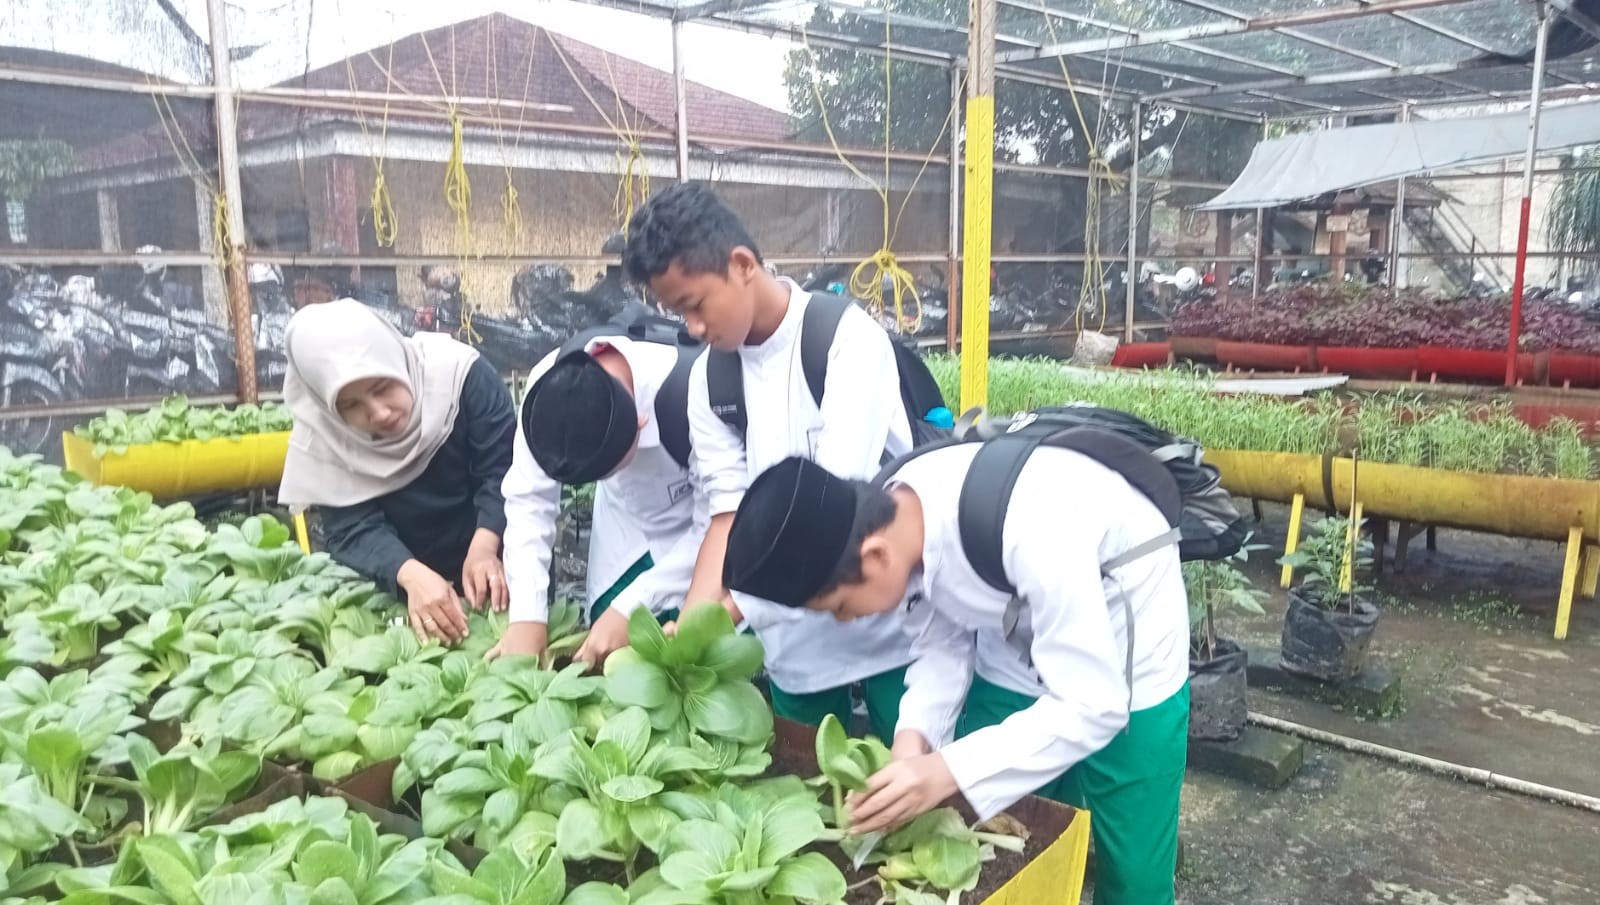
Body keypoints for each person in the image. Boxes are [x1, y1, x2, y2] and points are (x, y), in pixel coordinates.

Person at [721, 454, 1190, 905]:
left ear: (876, 556)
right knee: (1016, 826)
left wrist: (942, 772)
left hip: (1128, 637)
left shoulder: (1034, 526)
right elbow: (940, 638)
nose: (845, 622)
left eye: (840, 607)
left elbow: (1094, 704)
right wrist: (912, 742)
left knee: (1134, 865)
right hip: (1016, 631)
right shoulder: (901, 514)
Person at [621, 182, 915, 742]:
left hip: (889, 630)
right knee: (805, 796)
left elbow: (830, 510)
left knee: (913, 791)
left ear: (740, 264)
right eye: (678, 313)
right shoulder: (712, 378)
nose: (694, 329)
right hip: (794, 650)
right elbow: (726, 515)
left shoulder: (843, 341)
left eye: (695, 305)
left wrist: (726, 612)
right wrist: (695, 616)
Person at [278, 298, 516, 645]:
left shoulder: (460, 377)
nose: (378, 413)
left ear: (394, 358)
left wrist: (485, 546)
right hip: (402, 579)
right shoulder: (325, 436)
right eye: (350, 405)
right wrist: (410, 575)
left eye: (382, 388)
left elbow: (503, 471)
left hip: (497, 558)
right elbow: (351, 527)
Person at [489, 320, 704, 663]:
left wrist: (631, 606)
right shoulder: (550, 385)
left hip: (697, 525)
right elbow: (530, 501)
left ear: (640, 420)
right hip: (625, 526)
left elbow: (717, 526)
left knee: (699, 648)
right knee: (602, 641)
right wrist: (527, 615)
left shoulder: (692, 394)